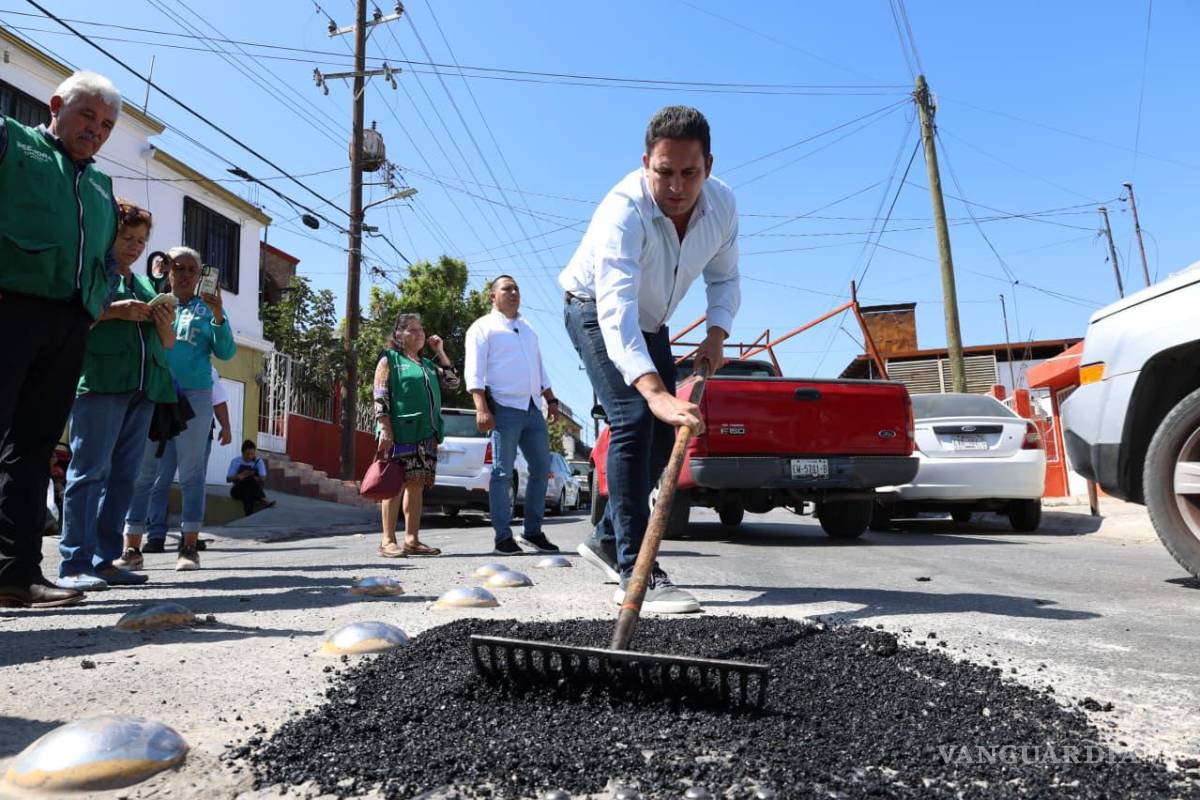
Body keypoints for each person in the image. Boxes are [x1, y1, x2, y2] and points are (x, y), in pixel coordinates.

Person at [559, 106, 739, 614]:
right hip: (594, 309)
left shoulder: (723, 206)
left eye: (690, 173)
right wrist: (655, 391)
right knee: (636, 418)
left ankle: (604, 537)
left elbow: (724, 279)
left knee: (664, 434)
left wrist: (716, 335)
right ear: (645, 163)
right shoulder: (625, 210)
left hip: (653, 323)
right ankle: (635, 569)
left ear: (708, 164)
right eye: (664, 172)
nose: (677, 186)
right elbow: (616, 311)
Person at [0, 71, 123, 610]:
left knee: (30, 454)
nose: (95, 130)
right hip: (10, 307)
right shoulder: (13, 141)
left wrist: (94, 305)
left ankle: (15, 574)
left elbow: (106, 260)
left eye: (106, 125)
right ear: (56, 106)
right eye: (87, 116)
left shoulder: (101, 185)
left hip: (69, 324)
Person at [56, 201, 176, 590]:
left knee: (123, 478)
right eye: (127, 237)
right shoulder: (92, 275)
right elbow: (72, 320)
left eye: (141, 240)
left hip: (143, 390)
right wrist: (115, 311)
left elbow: (168, 344)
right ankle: (74, 562)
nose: (135, 246)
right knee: (89, 473)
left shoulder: (144, 284)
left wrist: (163, 323)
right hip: (101, 384)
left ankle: (103, 559)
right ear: (109, 234)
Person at [122, 247, 235, 571]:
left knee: (192, 474)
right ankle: (132, 548)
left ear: (200, 276)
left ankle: (188, 547)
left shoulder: (207, 309)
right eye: (178, 267)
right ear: (168, 271)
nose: (184, 274)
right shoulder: (157, 304)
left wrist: (218, 315)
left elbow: (225, 353)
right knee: (143, 473)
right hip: (155, 393)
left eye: (191, 270)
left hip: (196, 396)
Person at [464, 275, 564, 555]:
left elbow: (539, 368)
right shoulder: (482, 328)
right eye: (507, 288)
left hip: (533, 408)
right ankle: (502, 537)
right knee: (502, 473)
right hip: (504, 407)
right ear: (492, 296)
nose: (514, 292)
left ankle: (532, 532)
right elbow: (475, 370)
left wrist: (551, 400)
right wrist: (481, 407)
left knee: (542, 469)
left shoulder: (528, 327)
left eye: (517, 288)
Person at [373, 312, 460, 558]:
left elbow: (453, 383)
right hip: (399, 430)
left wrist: (440, 351)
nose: (419, 333)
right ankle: (388, 540)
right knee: (394, 484)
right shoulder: (389, 359)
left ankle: (412, 539)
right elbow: (380, 393)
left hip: (426, 432)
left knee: (416, 485)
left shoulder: (428, 365)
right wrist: (385, 426)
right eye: (412, 329)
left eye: (421, 329)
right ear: (398, 335)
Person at [227, 440, 273, 516]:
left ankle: (248, 515)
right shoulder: (236, 461)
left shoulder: (258, 461)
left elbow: (263, 478)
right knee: (248, 483)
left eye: (252, 454)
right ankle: (263, 499)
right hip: (237, 490)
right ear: (242, 453)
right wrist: (239, 476)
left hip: (252, 491)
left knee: (249, 489)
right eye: (247, 454)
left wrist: (254, 477)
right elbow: (228, 479)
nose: (250, 456)